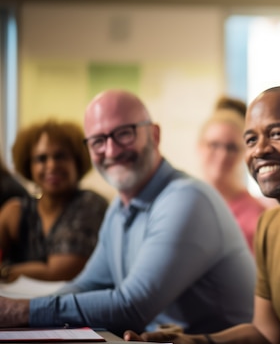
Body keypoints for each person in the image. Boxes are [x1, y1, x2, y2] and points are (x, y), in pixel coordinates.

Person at [0, 90, 255, 336]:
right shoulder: (120, 208)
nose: (111, 151)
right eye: (98, 141)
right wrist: (20, 308)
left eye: (124, 134)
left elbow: (132, 307)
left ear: (154, 135)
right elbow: (87, 284)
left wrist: (21, 311)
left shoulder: (187, 199)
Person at [124, 85, 280, 344]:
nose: (259, 150)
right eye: (250, 140)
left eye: (277, 133)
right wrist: (193, 341)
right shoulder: (270, 226)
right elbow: (266, 333)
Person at [0, 119, 108, 282]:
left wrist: (5, 272)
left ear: (77, 162)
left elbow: (58, 272)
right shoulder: (16, 210)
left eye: (60, 156)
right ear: (29, 165)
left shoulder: (90, 204)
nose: (51, 166)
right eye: (41, 159)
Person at [197, 96, 266, 252]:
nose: (222, 156)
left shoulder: (257, 217)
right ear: (199, 146)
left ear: (245, 153)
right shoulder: (183, 202)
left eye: (231, 148)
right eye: (214, 145)